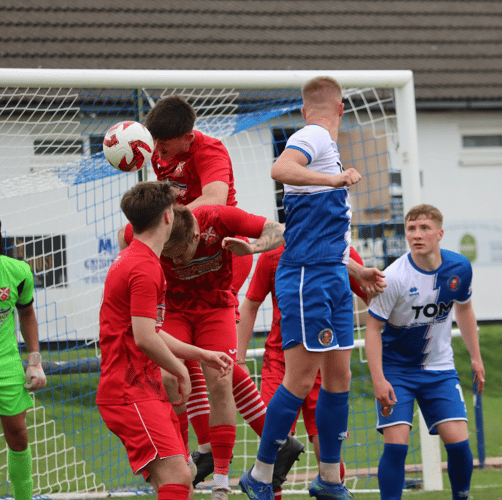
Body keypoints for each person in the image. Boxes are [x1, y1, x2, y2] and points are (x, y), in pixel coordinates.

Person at [238, 76, 386, 500]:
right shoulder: (315, 135)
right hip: (307, 278)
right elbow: (279, 168)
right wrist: (334, 182)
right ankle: (261, 475)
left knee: (339, 378)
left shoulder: (327, 150)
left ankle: (329, 479)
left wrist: (355, 272)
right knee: (300, 380)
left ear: (307, 108)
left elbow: (317, 229)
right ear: (340, 109)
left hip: (332, 275)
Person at [119, 201, 287, 499]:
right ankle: (182, 463)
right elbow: (125, 235)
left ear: (196, 236)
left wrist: (253, 248)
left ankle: (221, 480)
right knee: (170, 377)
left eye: (180, 255)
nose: (178, 263)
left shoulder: (219, 218)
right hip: (175, 309)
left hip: (215, 305)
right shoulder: (159, 230)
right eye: (170, 257)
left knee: (221, 378)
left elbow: (279, 229)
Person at [145, 94, 271, 486]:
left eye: (165, 145)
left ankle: (260, 447)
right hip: (182, 254)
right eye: (155, 145)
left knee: (216, 364)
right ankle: (198, 453)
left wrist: (164, 222)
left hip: (222, 253)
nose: (158, 152)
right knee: (189, 366)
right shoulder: (158, 155)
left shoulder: (210, 149)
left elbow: (214, 199)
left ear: (187, 137)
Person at [96, 181, 232, 500]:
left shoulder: (138, 259)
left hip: (141, 386)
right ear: (168, 217)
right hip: (130, 390)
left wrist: (200, 354)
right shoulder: (143, 266)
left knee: (177, 478)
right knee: (178, 476)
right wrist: (181, 370)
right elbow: (144, 338)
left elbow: (151, 331)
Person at [365, 204, 485, 500]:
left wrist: (476, 357)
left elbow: (465, 309)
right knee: (396, 447)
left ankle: (461, 496)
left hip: (439, 368)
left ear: (440, 233)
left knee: (459, 445)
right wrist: (379, 379)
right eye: (411, 229)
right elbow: (372, 329)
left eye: (424, 228)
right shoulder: (393, 278)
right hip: (396, 371)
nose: (416, 235)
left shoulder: (459, 268)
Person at [236, 245, 369, 499]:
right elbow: (251, 304)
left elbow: (372, 298)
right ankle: (262, 484)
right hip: (280, 360)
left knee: (327, 450)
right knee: (277, 445)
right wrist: (240, 359)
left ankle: (331, 483)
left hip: (325, 367)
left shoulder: (344, 252)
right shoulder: (272, 254)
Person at [0, 213, 47, 500]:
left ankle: (23, 497)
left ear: (0, 238)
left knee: (18, 436)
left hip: (5, 363)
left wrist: (34, 359)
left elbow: (27, 313)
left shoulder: (18, 272)